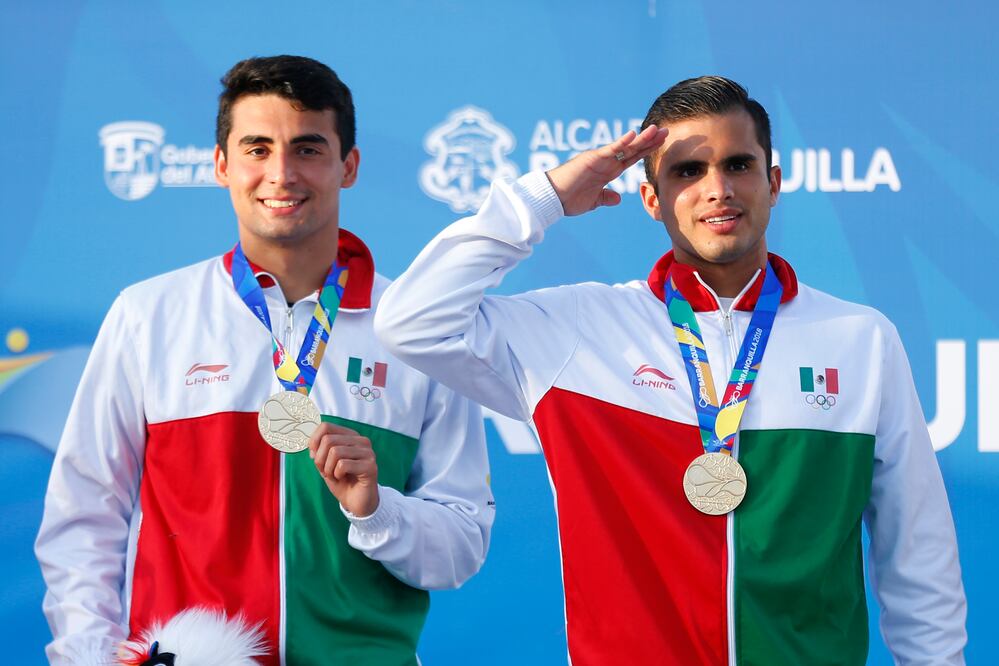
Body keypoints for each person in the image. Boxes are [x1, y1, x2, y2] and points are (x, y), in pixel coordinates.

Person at [374, 76, 966, 664]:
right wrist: (547, 196)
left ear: (774, 183)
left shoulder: (859, 339)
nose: (718, 189)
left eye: (739, 165)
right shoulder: (579, 330)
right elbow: (410, 321)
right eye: (687, 171)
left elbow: (916, 552)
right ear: (651, 197)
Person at [35, 55, 494, 666]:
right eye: (257, 148)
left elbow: (461, 544)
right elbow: (84, 514)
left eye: (307, 149)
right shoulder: (150, 314)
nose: (281, 174)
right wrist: (87, 658)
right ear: (222, 165)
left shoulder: (414, 330)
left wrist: (377, 507)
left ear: (347, 166)